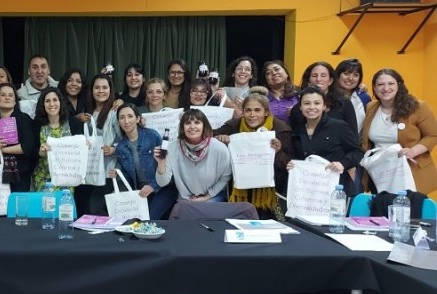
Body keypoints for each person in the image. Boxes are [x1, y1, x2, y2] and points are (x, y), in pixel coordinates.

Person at [214, 87, 294, 218]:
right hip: (240, 187)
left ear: (266, 112)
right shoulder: (234, 125)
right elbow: (210, 136)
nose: (252, 115)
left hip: (270, 193)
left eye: (257, 110)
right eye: (248, 110)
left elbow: (289, 165)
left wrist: (278, 152)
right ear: (243, 111)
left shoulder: (281, 130)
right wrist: (220, 138)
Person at [361, 69, 437, 194]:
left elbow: (433, 135)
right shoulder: (371, 107)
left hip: (410, 172)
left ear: (399, 86)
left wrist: (413, 151)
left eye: (391, 83)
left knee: (410, 211)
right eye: (380, 84)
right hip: (380, 174)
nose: (386, 88)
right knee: (382, 211)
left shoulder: (418, 107)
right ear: (374, 88)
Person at [288, 86, 362, 195]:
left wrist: (343, 163)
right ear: (300, 107)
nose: (312, 107)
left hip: (337, 188)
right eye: (307, 103)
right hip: (307, 191)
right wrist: (292, 165)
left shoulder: (338, 126)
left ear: (324, 106)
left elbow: (357, 152)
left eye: (317, 103)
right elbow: (297, 157)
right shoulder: (297, 130)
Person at [111, 104, 175, 219]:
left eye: (130, 116)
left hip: (162, 188)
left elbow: (167, 165)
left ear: (138, 119)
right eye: (122, 117)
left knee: (149, 218)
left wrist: (152, 186)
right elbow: (128, 177)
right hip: (140, 191)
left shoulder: (152, 136)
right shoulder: (121, 147)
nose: (126, 121)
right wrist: (117, 174)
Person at [155, 109, 232, 202]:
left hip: (213, 196)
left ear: (204, 126)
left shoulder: (219, 148)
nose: (192, 126)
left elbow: (226, 176)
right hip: (186, 199)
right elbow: (162, 183)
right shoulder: (172, 147)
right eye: (188, 123)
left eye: (197, 122)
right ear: (182, 127)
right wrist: (161, 162)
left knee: (204, 214)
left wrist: (207, 196)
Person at [79, 73, 121, 215]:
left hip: (108, 171)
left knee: (96, 210)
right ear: (91, 90)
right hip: (89, 171)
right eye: (97, 87)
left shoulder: (115, 112)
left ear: (110, 90)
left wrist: (113, 149)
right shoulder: (87, 113)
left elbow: (126, 139)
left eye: (104, 87)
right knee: (86, 210)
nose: (101, 91)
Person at [0, 83, 36, 192]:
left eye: (11, 95)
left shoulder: (23, 119)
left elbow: (28, 146)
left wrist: (1, 149)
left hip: (20, 174)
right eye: (3, 95)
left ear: (15, 101)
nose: (7, 97)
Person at [31, 87, 84, 191]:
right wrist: (40, 152)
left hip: (67, 180)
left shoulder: (74, 124)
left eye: (55, 100)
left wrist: (84, 145)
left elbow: (79, 152)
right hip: (43, 179)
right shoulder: (36, 125)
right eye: (47, 101)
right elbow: (30, 152)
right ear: (43, 105)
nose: (51, 104)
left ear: (61, 102)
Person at [289, 62, 358, 134]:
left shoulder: (343, 103)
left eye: (323, 76)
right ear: (309, 80)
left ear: (330, 81)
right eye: (314, 76)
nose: (318, 79)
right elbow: (295, 137)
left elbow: (353, 135)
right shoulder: (298, 108)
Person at [333, 58, 370, 134]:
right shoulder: (328, 96)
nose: (350, 78)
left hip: (355, 143)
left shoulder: (364, 98)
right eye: (346, 74)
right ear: (337, 75)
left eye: (355, 75)